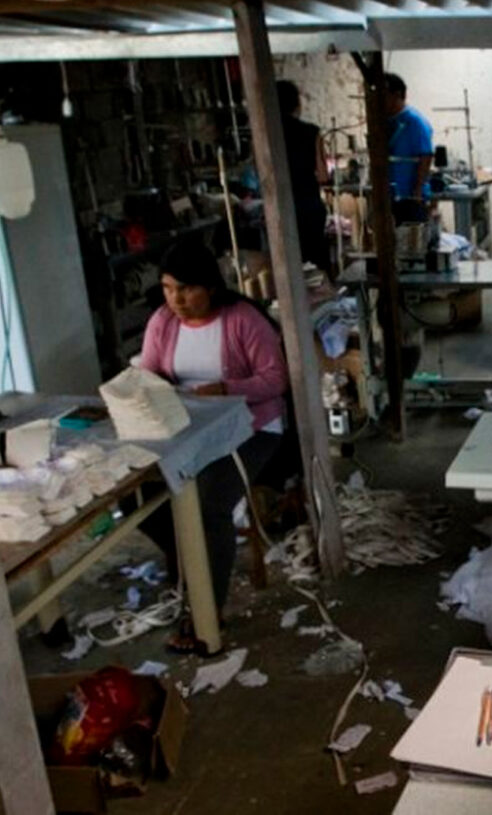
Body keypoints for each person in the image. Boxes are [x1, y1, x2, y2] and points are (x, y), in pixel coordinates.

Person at [139, 240, 289, 653]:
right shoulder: (162, 322)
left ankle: (208, 610)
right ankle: (192, 560)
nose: (176, 300)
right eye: (168, 289)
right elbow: (148, 374)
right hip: (187, 428)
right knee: (140, 498)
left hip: (251, 426)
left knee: (209, 505)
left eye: (186, 289)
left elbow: (275, 380)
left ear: (210, 287)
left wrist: (225, 389)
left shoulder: (242, 319)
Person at [276, 80, 329, 270]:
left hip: (279, 209)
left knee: (289, 266)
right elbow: (323, 175)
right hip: (308, 206)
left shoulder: (265, 134)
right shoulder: (312, 132)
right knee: (315, 262)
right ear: (296, 103)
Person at [384, 73, 435, 224]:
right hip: (390, 193)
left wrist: (417, 189)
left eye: (384, 95)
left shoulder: (414, 121)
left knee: (410, 233)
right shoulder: (387, 121)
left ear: (397, 94)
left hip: (410, 196)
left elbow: (426, 155)